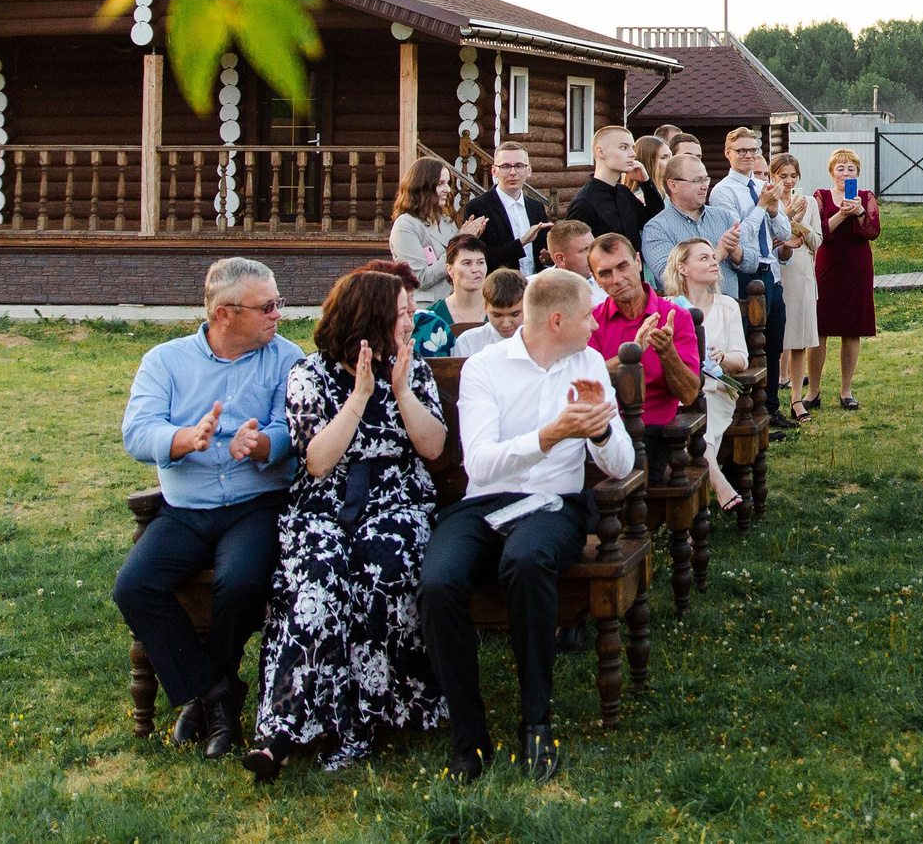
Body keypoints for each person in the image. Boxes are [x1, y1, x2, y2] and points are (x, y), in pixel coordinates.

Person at [418, 268, 633, 785]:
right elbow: (480, 464)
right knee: (439, 582)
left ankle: (536, 720)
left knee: (528, 561)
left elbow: (623, 464)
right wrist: (549, 435)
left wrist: (600, 430)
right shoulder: (485, 368)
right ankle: (468, 736)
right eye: (587, 316)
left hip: (554, 504)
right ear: (557, 320)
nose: (595, 324)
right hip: (483, 503)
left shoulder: (588, 364)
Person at [243, 265, 450, 780]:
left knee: (380, 570)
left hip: (395, 500)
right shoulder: (308, 375)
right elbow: (317, 461)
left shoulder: (413, 368)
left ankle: (358, 728)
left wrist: (400, 391)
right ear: (369, 320)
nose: (410, 322)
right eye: (400, 315)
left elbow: (433, 448)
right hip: (324, 502)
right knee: (316, 581)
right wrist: (358, 397)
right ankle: (280, 731)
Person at [115, 257, 300, 760]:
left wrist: (262, 445)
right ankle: (216, 694)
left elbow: (294, 428)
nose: (278, 314)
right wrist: (184, 438)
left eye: (277, 303)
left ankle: (205, 702)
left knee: (239, 583)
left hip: (254, 504)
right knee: (134, 586)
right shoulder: (165, 361)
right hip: (186, 508)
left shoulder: (286, 358)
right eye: (267, 306)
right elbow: (137, 431)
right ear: (225, 314)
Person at [712, 126, 792, 431]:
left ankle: (771, 408)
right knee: (748, 345)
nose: (748, 155)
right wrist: (760, 207)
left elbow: (783, 233)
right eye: (741, 150)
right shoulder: (723, 192)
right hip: (744, 274)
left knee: (773, 345)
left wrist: (773, 209)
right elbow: (738, 236)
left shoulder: (762, 185)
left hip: (771, 273)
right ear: (728, 154)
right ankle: (744, 415)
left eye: (753, 150)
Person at [586, 233, 704, 428]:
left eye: (623, 266)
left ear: (638, 262)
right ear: (595, 280)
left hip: (660, 429)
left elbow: (689, 395)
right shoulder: (591, 322)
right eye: (605, 273)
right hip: (607, 428)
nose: (617, 279)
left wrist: (667, 352)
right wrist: (633, 352)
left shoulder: (676, 317)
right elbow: (585, 383)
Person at [665, 239, 748, 513]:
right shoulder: (667, 308)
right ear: (682, 268)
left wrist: (722, 357)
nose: (714, 262)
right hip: (676, 393)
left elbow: (742, 359)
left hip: (717, 391)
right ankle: (716, 480)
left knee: (702, 411)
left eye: (713, 257)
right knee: (685, 411)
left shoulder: (727, 306)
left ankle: (709, 488)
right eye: (704, 258)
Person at [642, 153, 757, 316]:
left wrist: (736, 250)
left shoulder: (723, 216)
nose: (704, 186)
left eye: (705, 180)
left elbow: (753, 263)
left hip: (730, 313)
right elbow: (668, 276)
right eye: (697, 181)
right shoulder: (656, 228)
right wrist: (718, 255)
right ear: (673, 185)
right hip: (685, 319)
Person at [814, 148, 881, 410]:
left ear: (857, 173)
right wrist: (842, 214)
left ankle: (846, 390)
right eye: (840, 168)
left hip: (857, 266)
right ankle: (813, 390)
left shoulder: (866, 197)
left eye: (850, 169)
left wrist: (860, 212)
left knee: (852, 328)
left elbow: (873, 232)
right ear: (832, 172)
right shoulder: (821, 196)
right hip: (828, 265)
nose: (845, 173)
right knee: (819, 328)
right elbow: (819, 231)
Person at [771, 152, 825, 419]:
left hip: (802, 267)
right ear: (773, 177)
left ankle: (796, 398)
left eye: (793, 176)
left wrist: (799, 223)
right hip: (777, 267)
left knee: (800, 336)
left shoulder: (810, 203)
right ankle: (772, 393)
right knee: (777, 335)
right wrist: (786, 216)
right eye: (783, 176)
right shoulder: (768, 202)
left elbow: (816, 241)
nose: (789, 181)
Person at [391, 157, 483, 298]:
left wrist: (468, 240)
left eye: (448, 183)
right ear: (421, 186)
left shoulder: (446, 221)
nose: (447, 190)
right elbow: (419, 279)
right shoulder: (405, 225)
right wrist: (459, 243)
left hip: (452, 303)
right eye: (440, 184)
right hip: (426, 307)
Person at [567, 124, 664, 248]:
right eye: (624, 147)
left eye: (632, 148)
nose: (633, 154)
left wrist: (646, 183)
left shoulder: (624, 193)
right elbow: (575, 248)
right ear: (601, 152)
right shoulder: (585, 202)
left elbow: (654, 220)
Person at [465, 143, 553, 280]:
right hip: (499, 288)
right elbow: (479, 258)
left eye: (519, 166)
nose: (513, 172)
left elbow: (542, 254)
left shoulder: (536, 207)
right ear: (494, 171)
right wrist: (521, 242)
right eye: (505, 166)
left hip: (535, 285)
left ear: (529, 170)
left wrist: (548, 259)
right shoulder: (477, 207)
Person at [412, 235, 487, 357]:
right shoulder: (431, 316)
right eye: (467, 263)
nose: (475, 269)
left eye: (480, 262)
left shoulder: (501, 311)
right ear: (449, 269)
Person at [452, 266, 526, 359]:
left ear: (527, 307)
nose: (506, 324)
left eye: (515, 315)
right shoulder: (468, 342)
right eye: (497, 315)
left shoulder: (540, 340)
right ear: (485, 306)